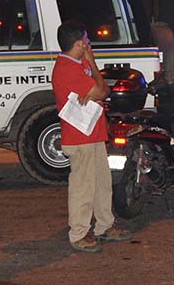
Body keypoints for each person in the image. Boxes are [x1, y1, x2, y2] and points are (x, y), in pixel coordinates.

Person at [52, 20, 130, 253]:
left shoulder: (76, 64)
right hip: (79, 136)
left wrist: (91, 74)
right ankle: (78, 234)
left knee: (101, 184)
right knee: (83, 188)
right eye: (86, 41)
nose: (89, 44)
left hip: (92, 133)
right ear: (79, 44)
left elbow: (98, 92)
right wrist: (93, 64)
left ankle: (104, 226)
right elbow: (103, 91)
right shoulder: (68, 68)